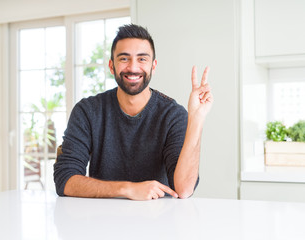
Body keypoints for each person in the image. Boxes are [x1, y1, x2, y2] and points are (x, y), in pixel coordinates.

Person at [53, 24, 213, 200]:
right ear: (111, 66)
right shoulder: (87, 111)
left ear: (153, 66)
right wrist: (128, 189)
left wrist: (196, 120)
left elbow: (183, 190)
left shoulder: (173, 115)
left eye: (142, 59)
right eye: (124, 59)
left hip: (160, 221)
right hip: (102, 221)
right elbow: (65, 179)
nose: (133, 67)